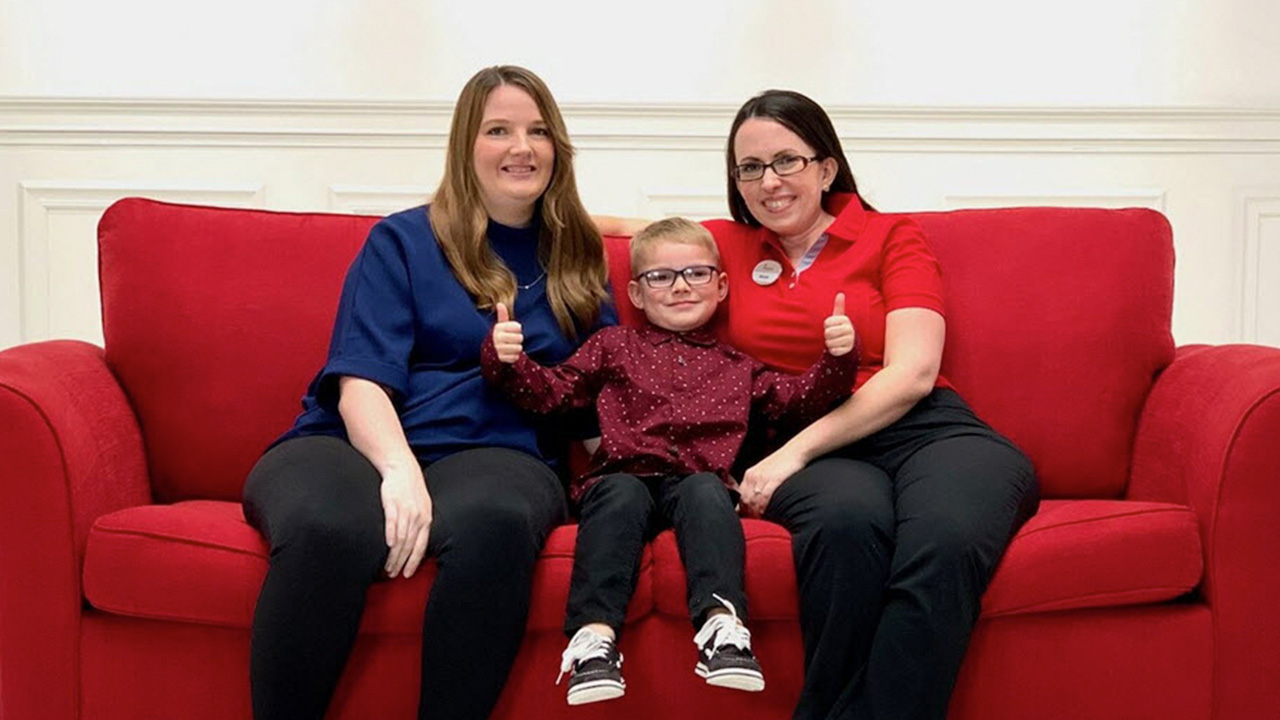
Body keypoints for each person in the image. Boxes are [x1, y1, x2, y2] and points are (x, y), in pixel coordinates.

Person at [598, 90, 1041, 720]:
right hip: (807, 438)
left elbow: (913, 373)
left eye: (787, 161)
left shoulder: (892, 236)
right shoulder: (724, 247)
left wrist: (789, 457)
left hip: (922, 429)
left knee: (943, 539)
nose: (769, 182)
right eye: (749, 168)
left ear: (826, 167)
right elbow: (596, 229)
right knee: (846, 527)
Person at [240, 65, 614, 720]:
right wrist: (399, 472)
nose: (521, 148)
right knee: (330, 527)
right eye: (498, 130)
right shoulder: (404, 240)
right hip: (352, 444)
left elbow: (601, 396)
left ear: (558, 147)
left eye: (537, 131)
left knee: (498, 522)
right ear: (467, 146)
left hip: (500, 452)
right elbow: (359, 379)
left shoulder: (579, 258)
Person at [478, 217, 859, 706]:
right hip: (623, 475)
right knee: (616, 495)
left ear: (721, 286)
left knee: (708, 492)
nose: (680, 287)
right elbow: (554, 393)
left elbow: (798, 401)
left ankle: (723, 626)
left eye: (697, 274)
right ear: (636, 293)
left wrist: (838, 358)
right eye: (661, 277)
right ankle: (593, 640)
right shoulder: (612, 346)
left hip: (699, 479)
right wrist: (506, 360)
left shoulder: (738, 366)